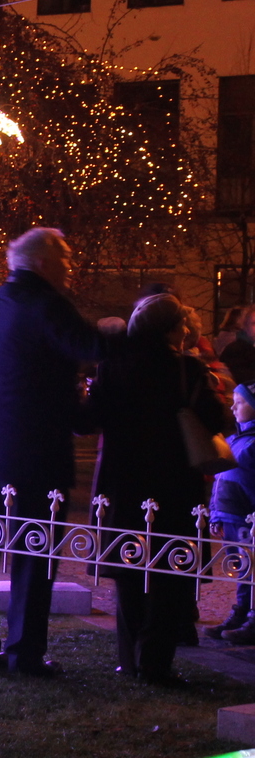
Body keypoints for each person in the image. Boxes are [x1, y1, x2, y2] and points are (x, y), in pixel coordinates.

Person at [0, 228, 107, 677]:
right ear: (42, 262)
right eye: (65, 257)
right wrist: (124, 335)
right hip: (34, 449)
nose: (71, 266)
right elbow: (92, 348)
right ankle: (24, 651)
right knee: (34, 553)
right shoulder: (48, 305)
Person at [89, 293, 232, 684]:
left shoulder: (113, 365)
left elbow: (89, 418)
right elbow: (217, 418)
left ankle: (130, 658)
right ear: (172, 329)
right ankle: (155, 663)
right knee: (170, 572)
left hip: (122, 479)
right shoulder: (186, 368)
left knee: (128, 569)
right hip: (171, 483)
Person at [206, 383, 255, 641]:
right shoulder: (234, 439)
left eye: (241, 402)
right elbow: (220, 479)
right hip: (231, 517)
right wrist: (216, 514)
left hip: (249, 519)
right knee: (243, 569)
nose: (233, 406)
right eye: (233, 401)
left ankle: (252, 621)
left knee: (253, 569)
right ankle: (241, 613)